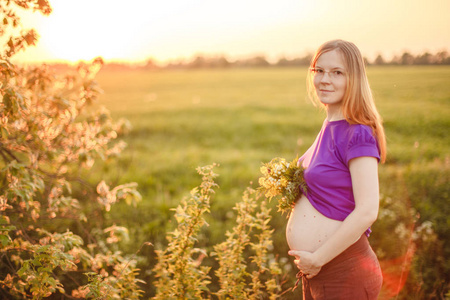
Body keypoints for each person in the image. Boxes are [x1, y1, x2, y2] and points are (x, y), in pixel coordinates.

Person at [286, 39, 386, 299]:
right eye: (319, 71)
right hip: (317, 271)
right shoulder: (330, 124)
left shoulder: (358, 133)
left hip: (345, 270)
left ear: (353, 79)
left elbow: (367, 211)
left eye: (337, 72)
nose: (324, 80)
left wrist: (318, 258)